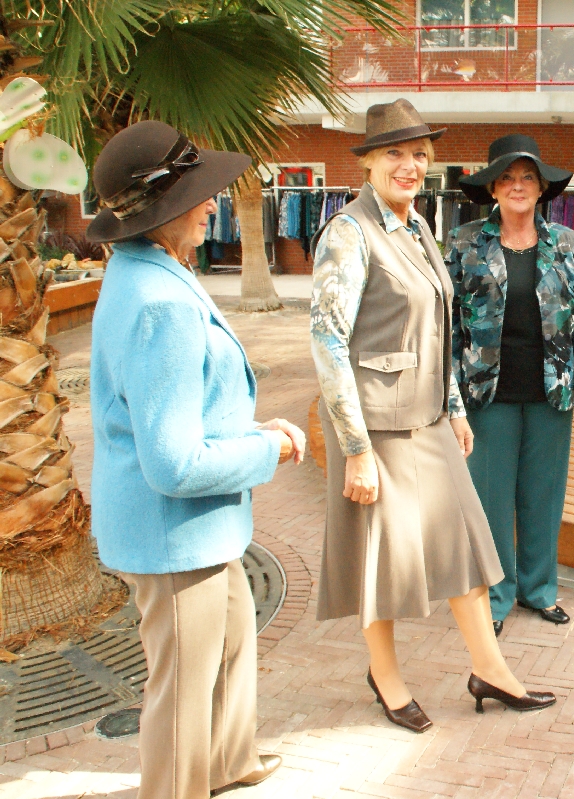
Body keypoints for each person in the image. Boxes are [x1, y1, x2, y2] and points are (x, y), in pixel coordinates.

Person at [310, 103, 554, 732]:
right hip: (375, 426)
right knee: (381, 557)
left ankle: (491, 670)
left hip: (427, 417)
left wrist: (453, 406)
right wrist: (355, 449)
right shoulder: (349, 231)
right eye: (394, 152)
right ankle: (386, 678)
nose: (409, 165)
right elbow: (328, 343)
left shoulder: (418, 225)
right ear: (368, 161)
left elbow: (438, 328)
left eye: (419, 153)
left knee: (465, 541)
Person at [86, 121, 305, 799]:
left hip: (195, 532)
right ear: (161, 209)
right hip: (174, 537)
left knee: (234, 637)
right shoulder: (161, 303)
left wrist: (247, 426)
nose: (212, 203)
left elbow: (178, 407)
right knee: (183, 689)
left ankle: (228, 761)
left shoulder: (143, 270)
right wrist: (268, 447)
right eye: (198, 193)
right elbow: (174, 465)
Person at [449, 134, 574, 635]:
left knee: (543, 498)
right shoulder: (465, 242)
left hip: (550, 394)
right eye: (508, 178)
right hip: (485, 395)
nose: (518, 186)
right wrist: (451, 400)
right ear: (493, 188)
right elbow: (447, 327)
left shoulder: (568, 245)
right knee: (491, 502)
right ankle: (495, 598)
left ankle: (538, 590)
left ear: (541, 188)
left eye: (527, 178)